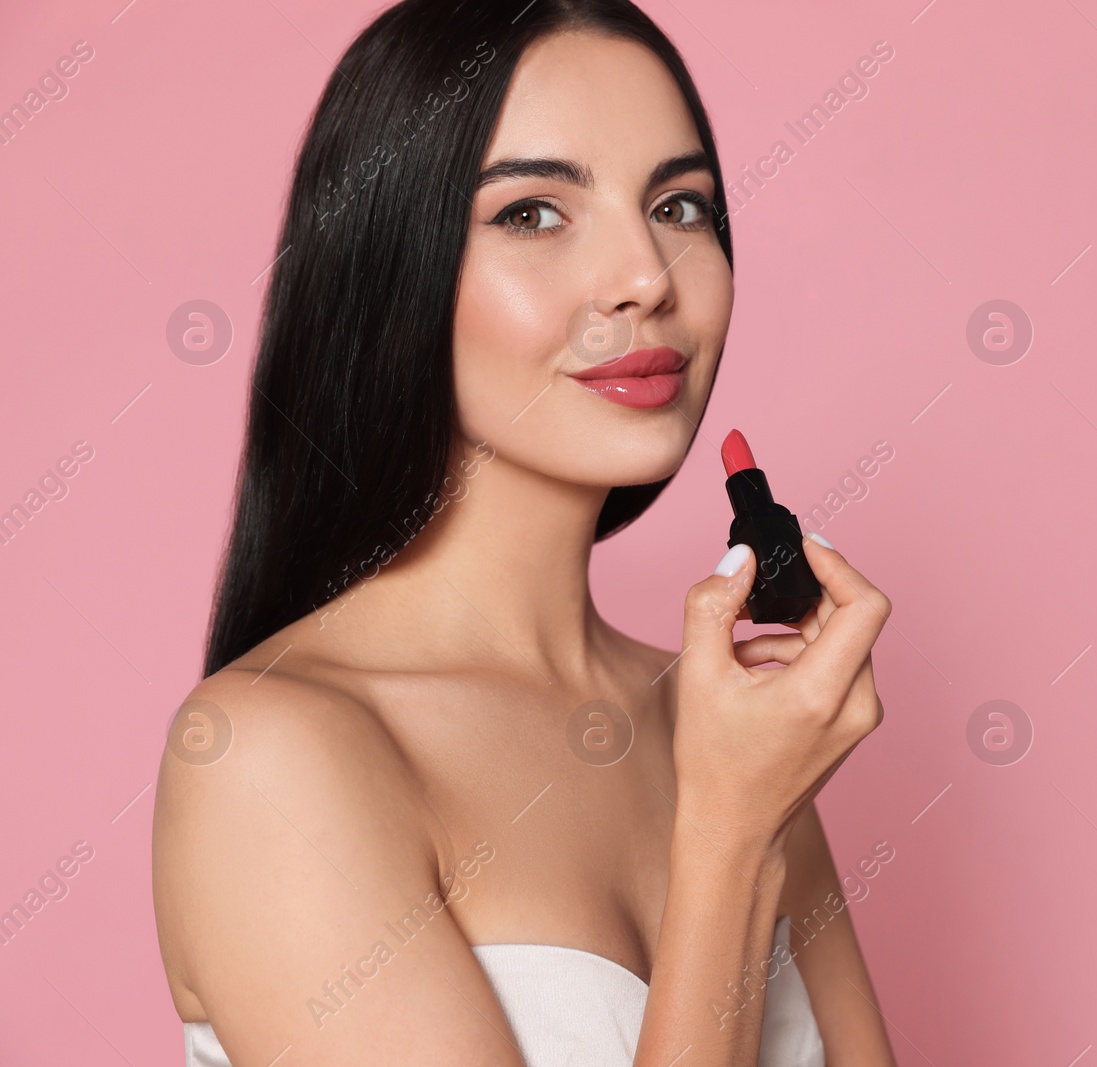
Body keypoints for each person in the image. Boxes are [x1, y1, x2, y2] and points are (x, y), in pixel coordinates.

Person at [151, 2, 897, 1064]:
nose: (646, 275)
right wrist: (727, 835)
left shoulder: (737, 725)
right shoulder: (266, 758)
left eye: (680, 205)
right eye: (534, 214)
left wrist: (752, 801)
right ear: (387, 262)